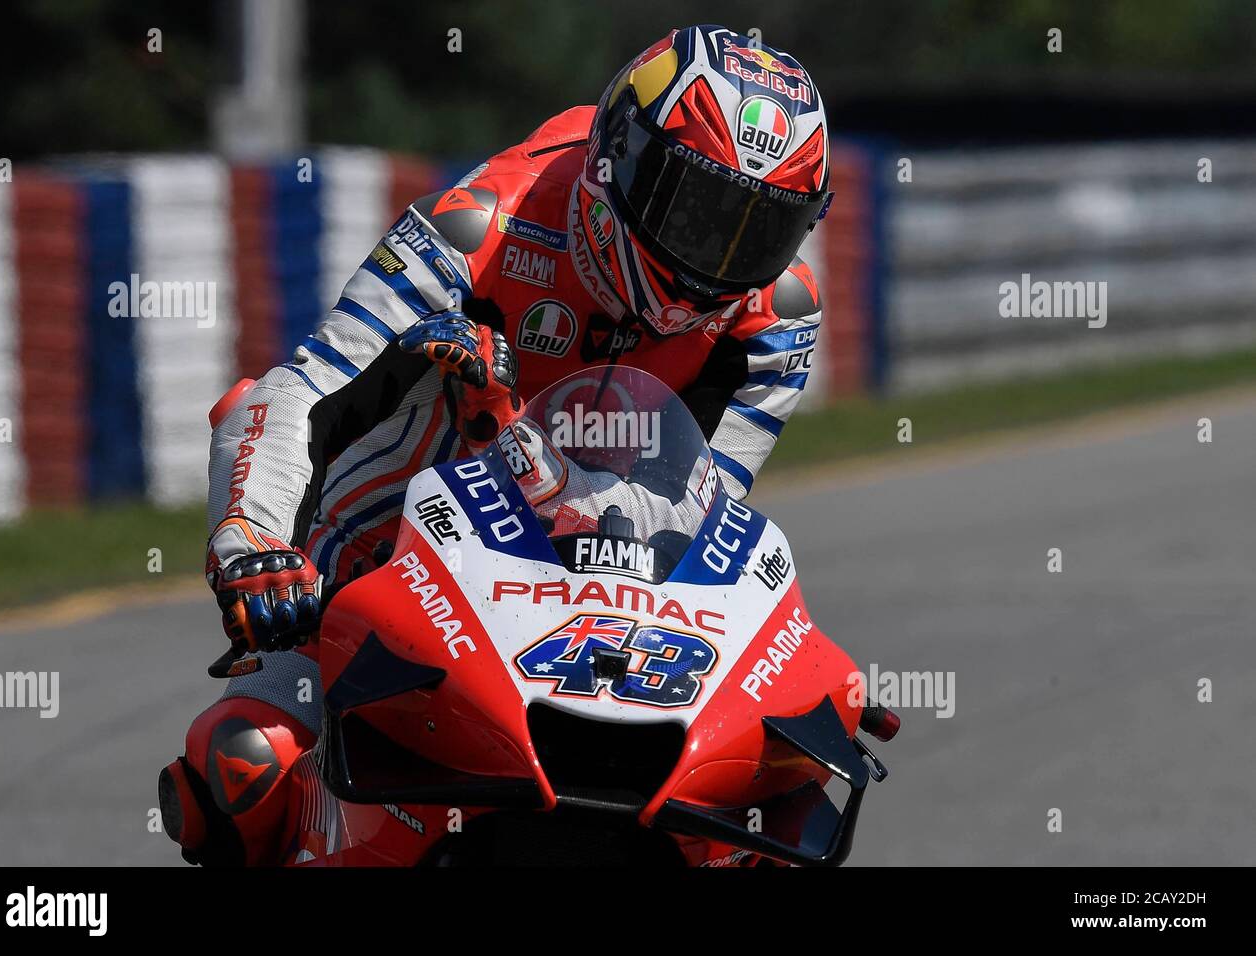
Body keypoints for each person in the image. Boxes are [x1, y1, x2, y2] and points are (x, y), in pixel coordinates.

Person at [158, 23, 833, 865]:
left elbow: (693, 515)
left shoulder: (776, 321)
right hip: (388, 570)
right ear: (619, 156)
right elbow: (301, 390)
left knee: (771, 811)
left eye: (757, 231)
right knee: (237, 769)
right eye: (697, 210)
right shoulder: (481, 226)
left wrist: (510, 430)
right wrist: (252, 543)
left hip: (610, 604)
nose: (718, 260)